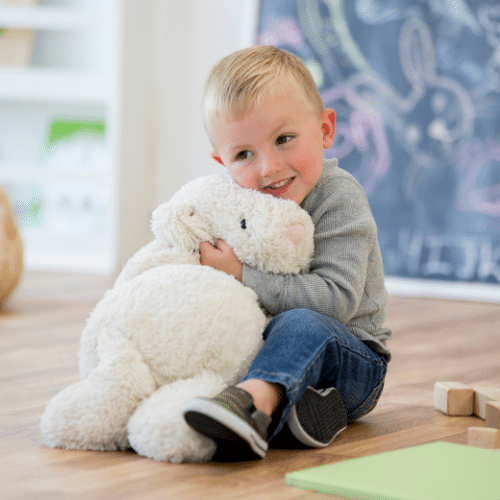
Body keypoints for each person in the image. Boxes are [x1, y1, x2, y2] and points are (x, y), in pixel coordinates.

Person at [183, 45, 392, 460]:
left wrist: (241, 274)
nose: (269, 168)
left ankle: (251, 404)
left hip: (353, 362)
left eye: (284, 139)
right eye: (244, 154)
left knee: (302, 324)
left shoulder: (339, 197)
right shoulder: (239, 203)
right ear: (222, 162)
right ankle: (298, 416)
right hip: (279, 355)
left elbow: (337, 302)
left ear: (326, 129)